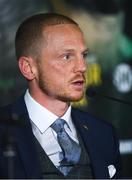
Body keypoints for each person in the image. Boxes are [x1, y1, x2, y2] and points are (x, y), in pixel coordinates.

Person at [0, 13, 121, 179]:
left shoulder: (104, 133)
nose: (82, 67)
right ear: (28, 68)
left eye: (83, 55)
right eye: (67, 56)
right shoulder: (4, 130)